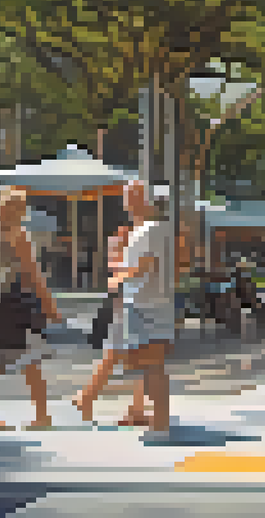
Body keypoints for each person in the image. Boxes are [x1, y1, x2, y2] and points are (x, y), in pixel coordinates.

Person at [73, 181, 176, 433]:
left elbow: (145, 265)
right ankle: (140, 412)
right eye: (127, 196)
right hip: (139, 303)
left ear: (146, 199)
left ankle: (158, 423)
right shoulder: (147, 230)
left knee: (149, 364)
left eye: (132, 196)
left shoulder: (150, 230)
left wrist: (117, 277)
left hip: (144, 305)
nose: (127, 202)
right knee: (140, 362)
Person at [0, 188, 62, 430]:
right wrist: (49, 303)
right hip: (16, 298)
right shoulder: (18, 235)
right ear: (19, 211)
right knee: (32, 356)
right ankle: (42, 415)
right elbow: (32, 271)